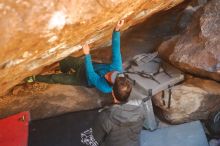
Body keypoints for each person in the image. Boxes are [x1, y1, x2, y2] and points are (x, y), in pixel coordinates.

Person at [26, 20, 130, 94]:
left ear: (111, 86)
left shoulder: (105, 88)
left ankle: (35, 78)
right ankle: (64, 70)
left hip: (83, 79)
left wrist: (87, 55)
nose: (109, 74)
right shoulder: (117, 69)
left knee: (56, 78)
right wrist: (117, 30)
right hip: (86, 66)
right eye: (112, 73)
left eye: (109, 77)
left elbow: (91, 74)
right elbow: (116, 49)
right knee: (65, 60)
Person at [91, 76, 145, 146]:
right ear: (129, 93)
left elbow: (95, 139)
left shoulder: (105, 116)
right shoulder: (141, 111)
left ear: (113, 93)